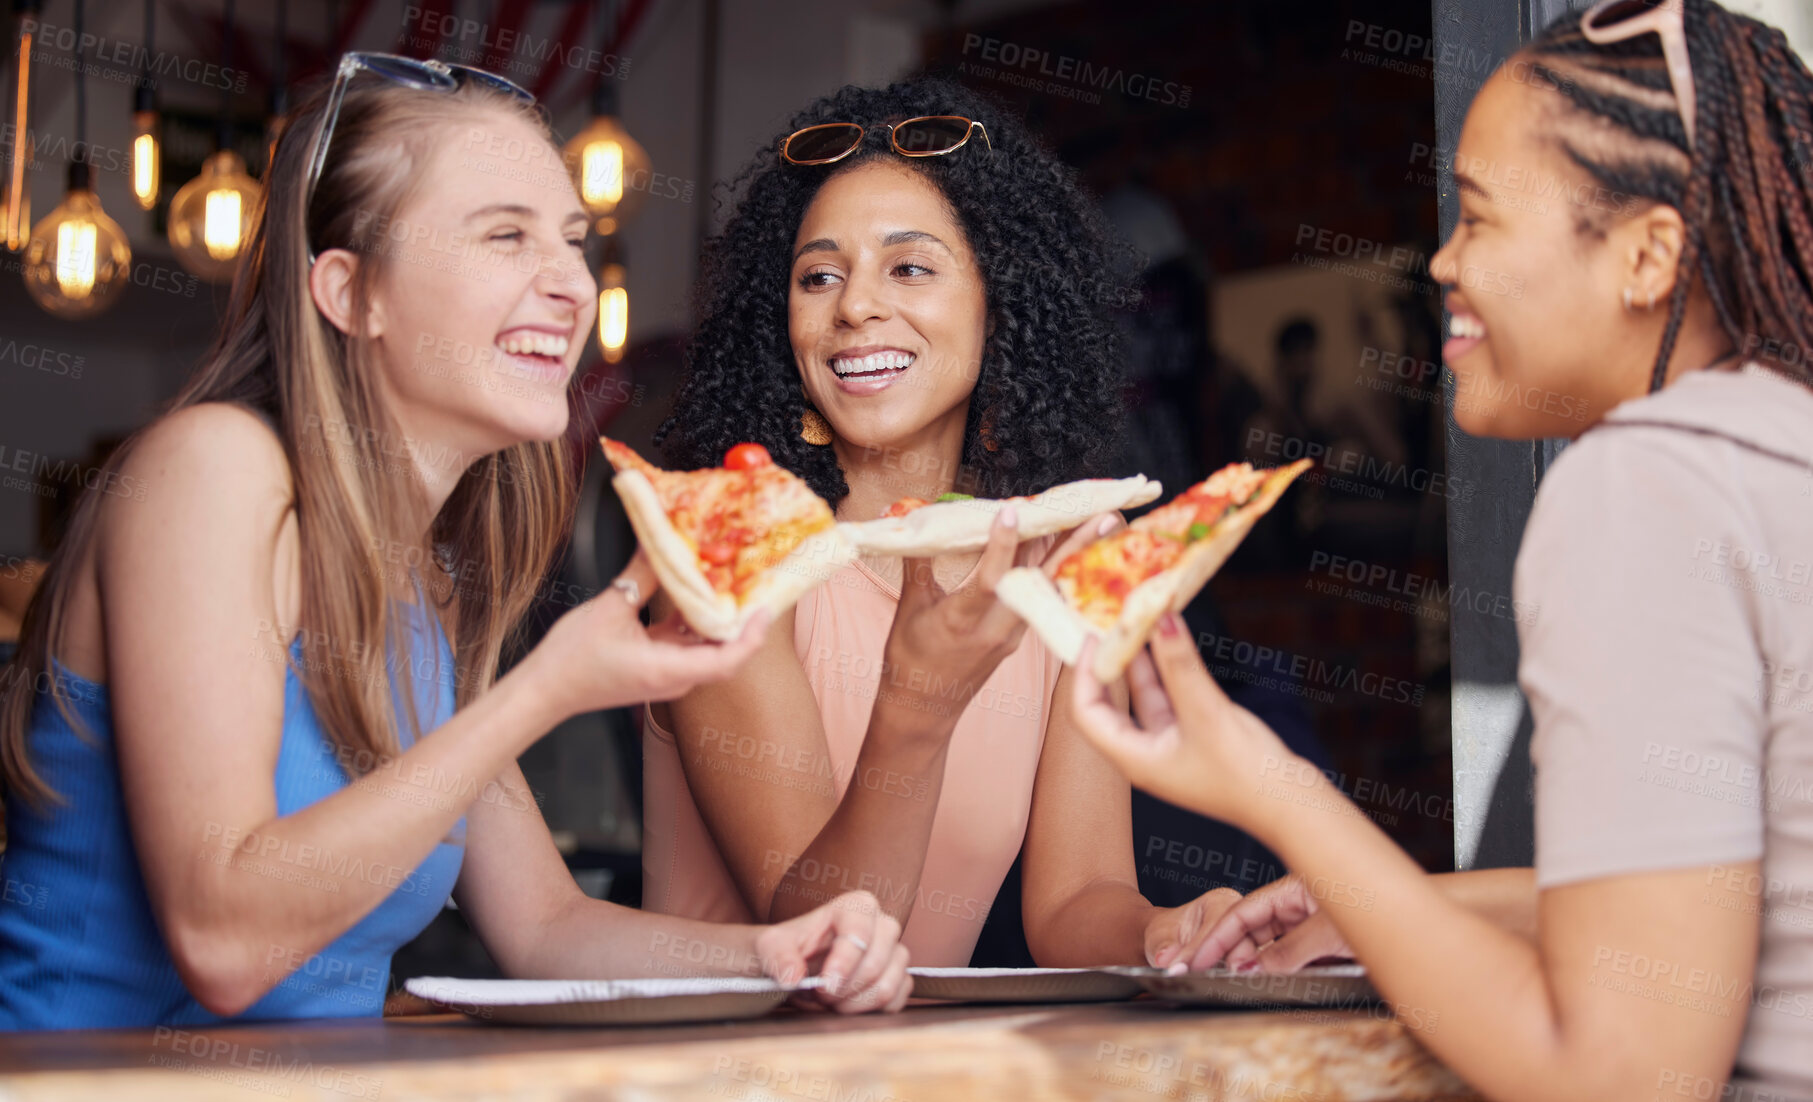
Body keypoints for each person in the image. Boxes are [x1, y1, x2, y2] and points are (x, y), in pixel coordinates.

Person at [0, 54, 909, 1030]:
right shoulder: (216, 471)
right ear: (351, 294)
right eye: (503, 236)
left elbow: (546, 927)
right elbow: (225, 941)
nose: (568, 283)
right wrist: (544, 689)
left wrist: (778, 955)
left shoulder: (426, 579)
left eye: (571, 240)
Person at [1067, 2, 1813, 1099]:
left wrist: (1269, 789)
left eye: (1479, 217)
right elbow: (1748, 887)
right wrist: (1397, 898)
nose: (1441, 261)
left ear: (1650, 254)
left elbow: (1620, 1078)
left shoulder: (1644, 482)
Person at [647, 77, 1243, 969]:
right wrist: (917, 703)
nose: (853, 306)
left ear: (997, 307)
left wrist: (1171, 933)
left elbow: (1077, 901)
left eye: (909, 267)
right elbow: (817, 944)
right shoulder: (730, 561)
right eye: (819, 276)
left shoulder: (1062, 575)